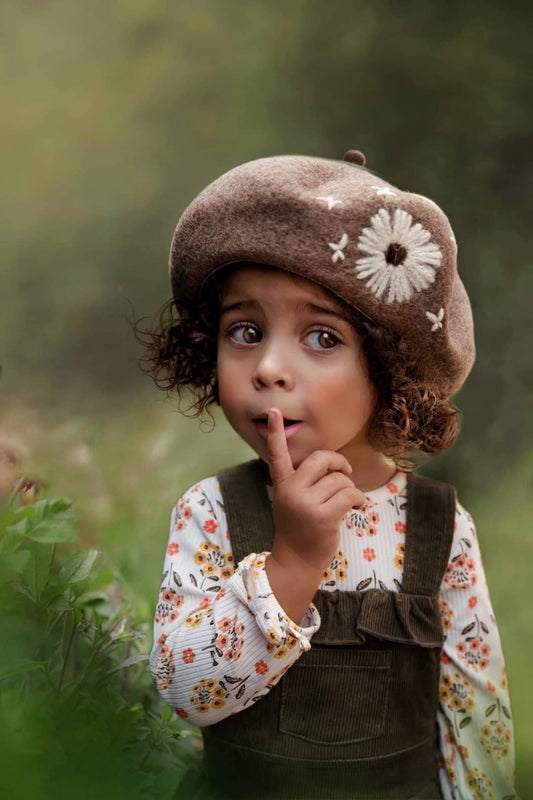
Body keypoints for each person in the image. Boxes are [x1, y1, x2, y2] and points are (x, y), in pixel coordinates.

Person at [141, 150, 519, 799]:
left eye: (321, 338)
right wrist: (289, 564)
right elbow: (183, 693)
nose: (267, 368)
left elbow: (475, 725)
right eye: (245, 330)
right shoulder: (211, 512)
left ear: (389, 369)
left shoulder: (438, 530)